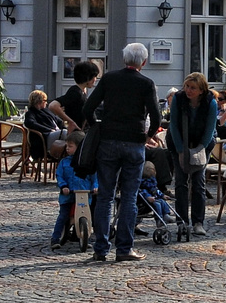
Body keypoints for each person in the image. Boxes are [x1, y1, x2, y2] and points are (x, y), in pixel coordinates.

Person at [81, 43, 162, 263]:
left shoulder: (109, 79)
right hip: (134, 142)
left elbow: (88, 108)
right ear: (143, 62)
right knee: (129, 197)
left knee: (105, 197)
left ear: (124, 59)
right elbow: (156, 118)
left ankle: (100, 249)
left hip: (108, 141)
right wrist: (148, 135)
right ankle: (124, 249)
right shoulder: (146, 83)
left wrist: (96, 126)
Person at [165, 72, 218, 237]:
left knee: (198, 182)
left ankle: (198, 222)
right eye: (187, 86)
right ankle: (182, 221)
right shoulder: (179, 100)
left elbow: (210, 129)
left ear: (201, 90)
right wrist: (181, 150)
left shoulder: (211, 103)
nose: (188, 90)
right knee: (181, 182)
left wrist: (199, 150)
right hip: (178, 141)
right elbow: (173, 124)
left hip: (202, 144)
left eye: (193, 88)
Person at [52, 60, 101, 132]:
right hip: (77, 134)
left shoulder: (81, 91)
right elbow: (53, 105)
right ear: (88, 77)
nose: (95, 79)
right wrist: (71, 122)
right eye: (94, 76)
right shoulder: (75, 92)